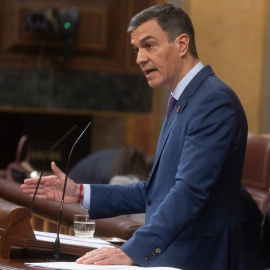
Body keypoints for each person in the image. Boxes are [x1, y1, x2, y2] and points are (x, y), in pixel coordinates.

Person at [21, 4, 248, 270]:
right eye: (136, 49)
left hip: (199, 257)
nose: (140, 58)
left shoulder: (212, 101)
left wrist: (132, 251)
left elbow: (190, 192)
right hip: (172, 252)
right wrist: (80, 192)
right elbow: (155, 191)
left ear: (182, 44)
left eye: (149, 45)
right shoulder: (181, 101)